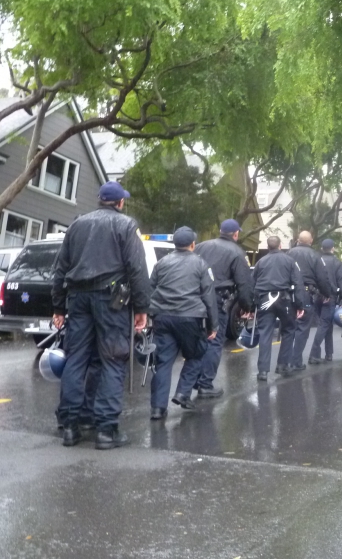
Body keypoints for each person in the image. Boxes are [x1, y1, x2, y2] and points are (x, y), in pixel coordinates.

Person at [52, 181, 150, 450]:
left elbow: (60, 269)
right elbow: (137, 269)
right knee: (113, 360)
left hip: (78, 298)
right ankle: (106, 429)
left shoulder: (77, 225)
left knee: (76, 359)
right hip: (112, 300)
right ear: (120, 203)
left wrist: (59, 307)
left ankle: (70, 426)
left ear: (99, 200)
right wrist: (142, 308)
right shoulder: (126, 226)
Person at [148, 227, 219, 420]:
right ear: (193, 244)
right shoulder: (200, 264)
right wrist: (214, 325)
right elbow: (208, 296)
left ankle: (157, 408)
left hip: (162, 316)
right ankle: (182, 393)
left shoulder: (162, 262)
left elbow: (150, 287)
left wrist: (149, 313)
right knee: (196, 354)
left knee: (163, 362)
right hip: (190, 317)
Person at [194, 218, 254, 398]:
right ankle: (205, 384)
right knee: (214, 340)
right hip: (218, 299)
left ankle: (194, 379)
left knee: (199, 340)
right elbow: (244, 284)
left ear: (220, 230)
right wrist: (246, 307)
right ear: (236, 234)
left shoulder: (201, 246)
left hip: (195, 298)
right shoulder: (237, 252)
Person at [253, 236, 305, 380]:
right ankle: (282, 365)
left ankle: (263, 371)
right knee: (288, 329)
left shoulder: (260, 262)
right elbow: (298, 283)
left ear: (268, 246)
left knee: (265, 333)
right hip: (284, 299)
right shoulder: (289, 261)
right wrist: (300, 305)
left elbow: (253, 282)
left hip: (264, 299)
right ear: (280, 246)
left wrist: (252, 305)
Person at [288, 231, 334, 369]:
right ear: (311, 241)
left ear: (298, 240)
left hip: (289, 294)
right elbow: (322, 277)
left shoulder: (289, 253)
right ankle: (296, 361)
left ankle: (284, 361)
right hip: (306, 293)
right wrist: (327, 293)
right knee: (302, 327)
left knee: (290, 327)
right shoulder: (315, 256)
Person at [308, 239, 342, 363]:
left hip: (317, 296)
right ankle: (314, 354)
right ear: (333, 248)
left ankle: (329, 353)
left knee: (326, 325)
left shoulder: (316, 261)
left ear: (322, 248)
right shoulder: (337, 263)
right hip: (330, 296)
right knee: (325, 325)